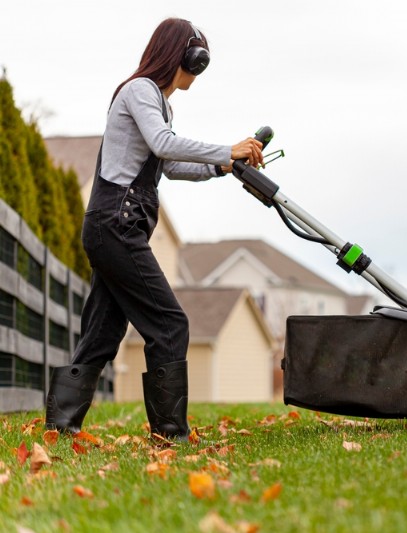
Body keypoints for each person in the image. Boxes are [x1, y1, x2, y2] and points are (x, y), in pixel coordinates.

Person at [44, 18, 264, 440]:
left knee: (103, 331)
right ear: (180, 55)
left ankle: (60, 426)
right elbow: (164, 144)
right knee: (170, 324)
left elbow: (172, 164)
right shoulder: (139, 90)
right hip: (116, 225)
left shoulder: (161, 104)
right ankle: (169, 433)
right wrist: (225, 148)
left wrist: (226, 165)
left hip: (119, 227)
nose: (198, 70)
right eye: (196, 60)